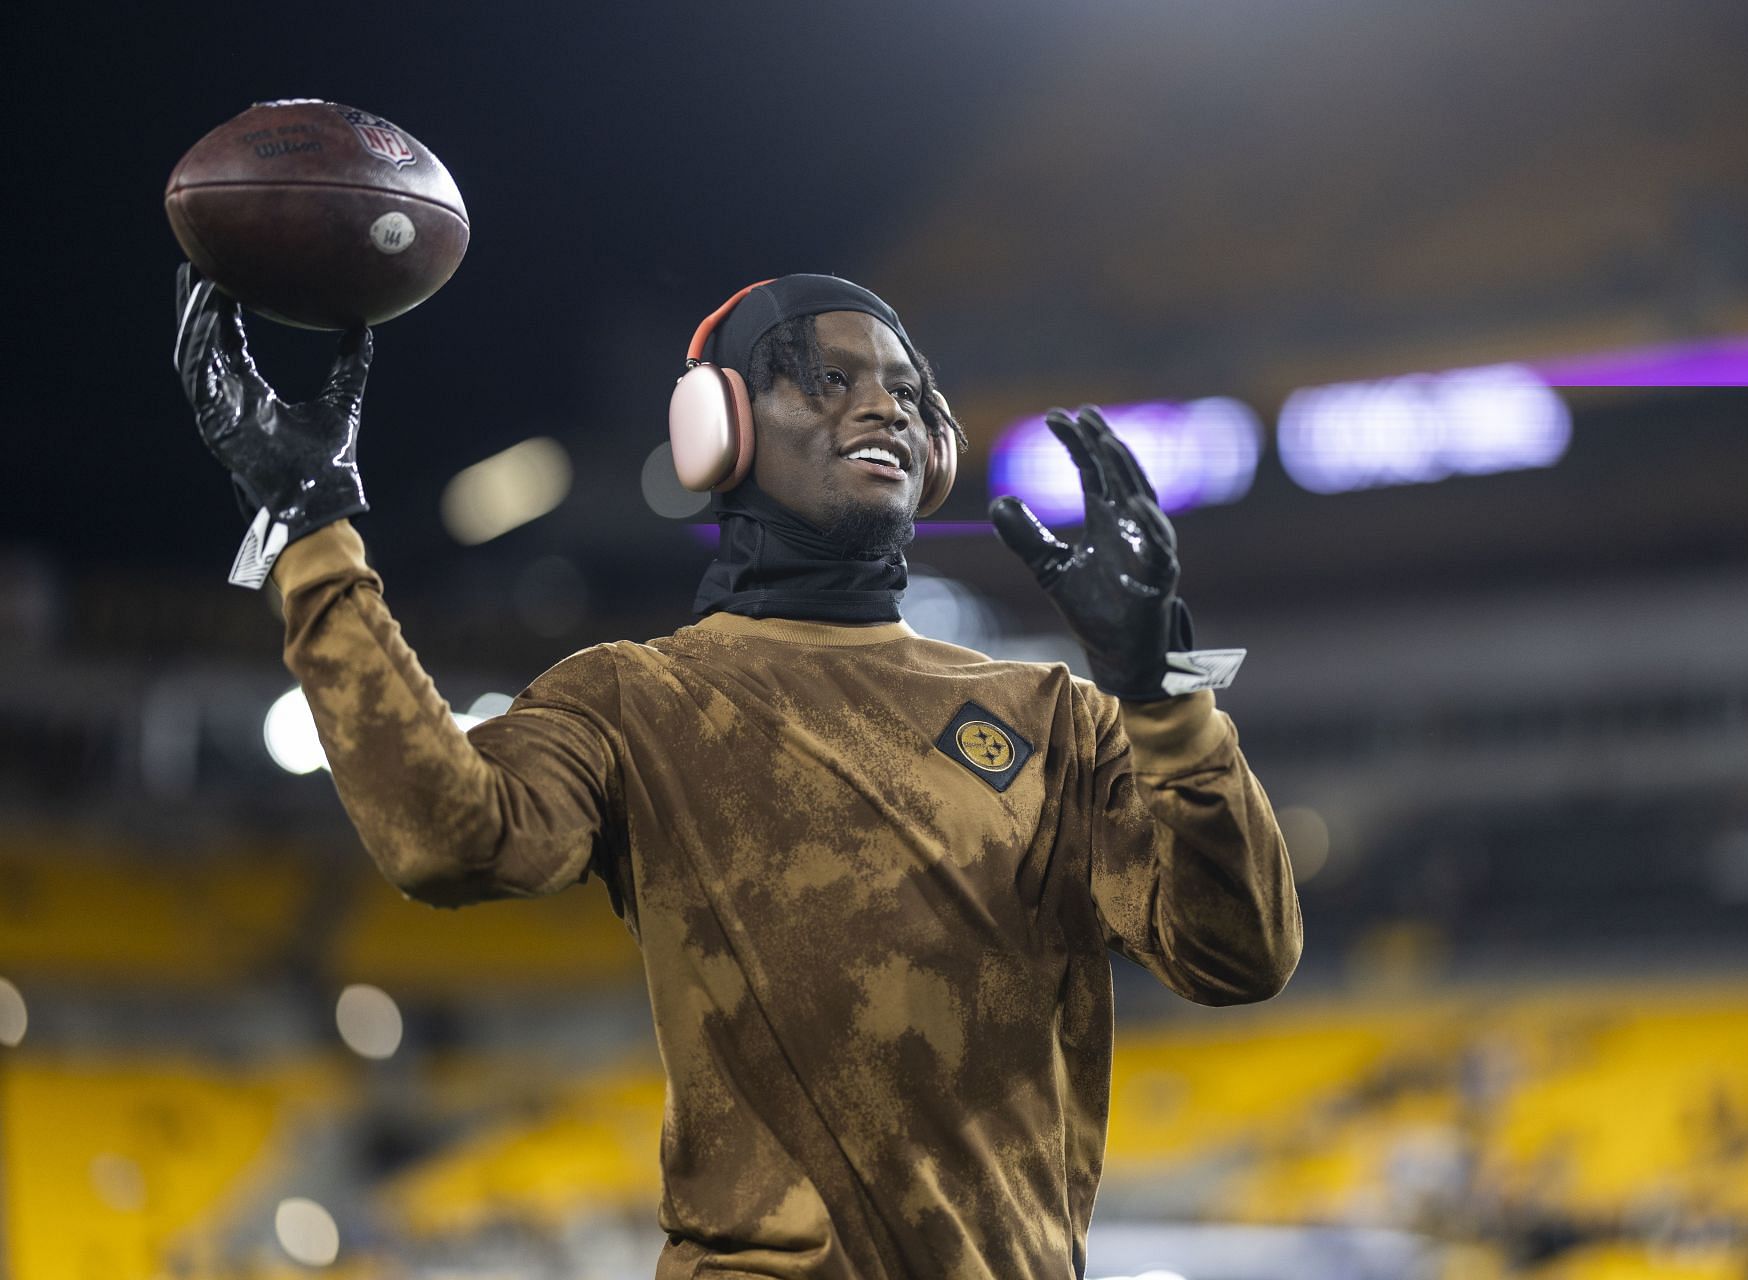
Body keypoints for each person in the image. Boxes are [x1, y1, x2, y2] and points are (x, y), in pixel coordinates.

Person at [174, 266, 1302, 1280]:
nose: (883, 406)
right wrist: (311, 526)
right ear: (717, 428)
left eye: (908, 390)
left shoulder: (1056, 714)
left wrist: (1166, 693)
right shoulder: (632, 696)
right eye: (825, 378)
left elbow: (1240, 952)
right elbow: (447, 835)